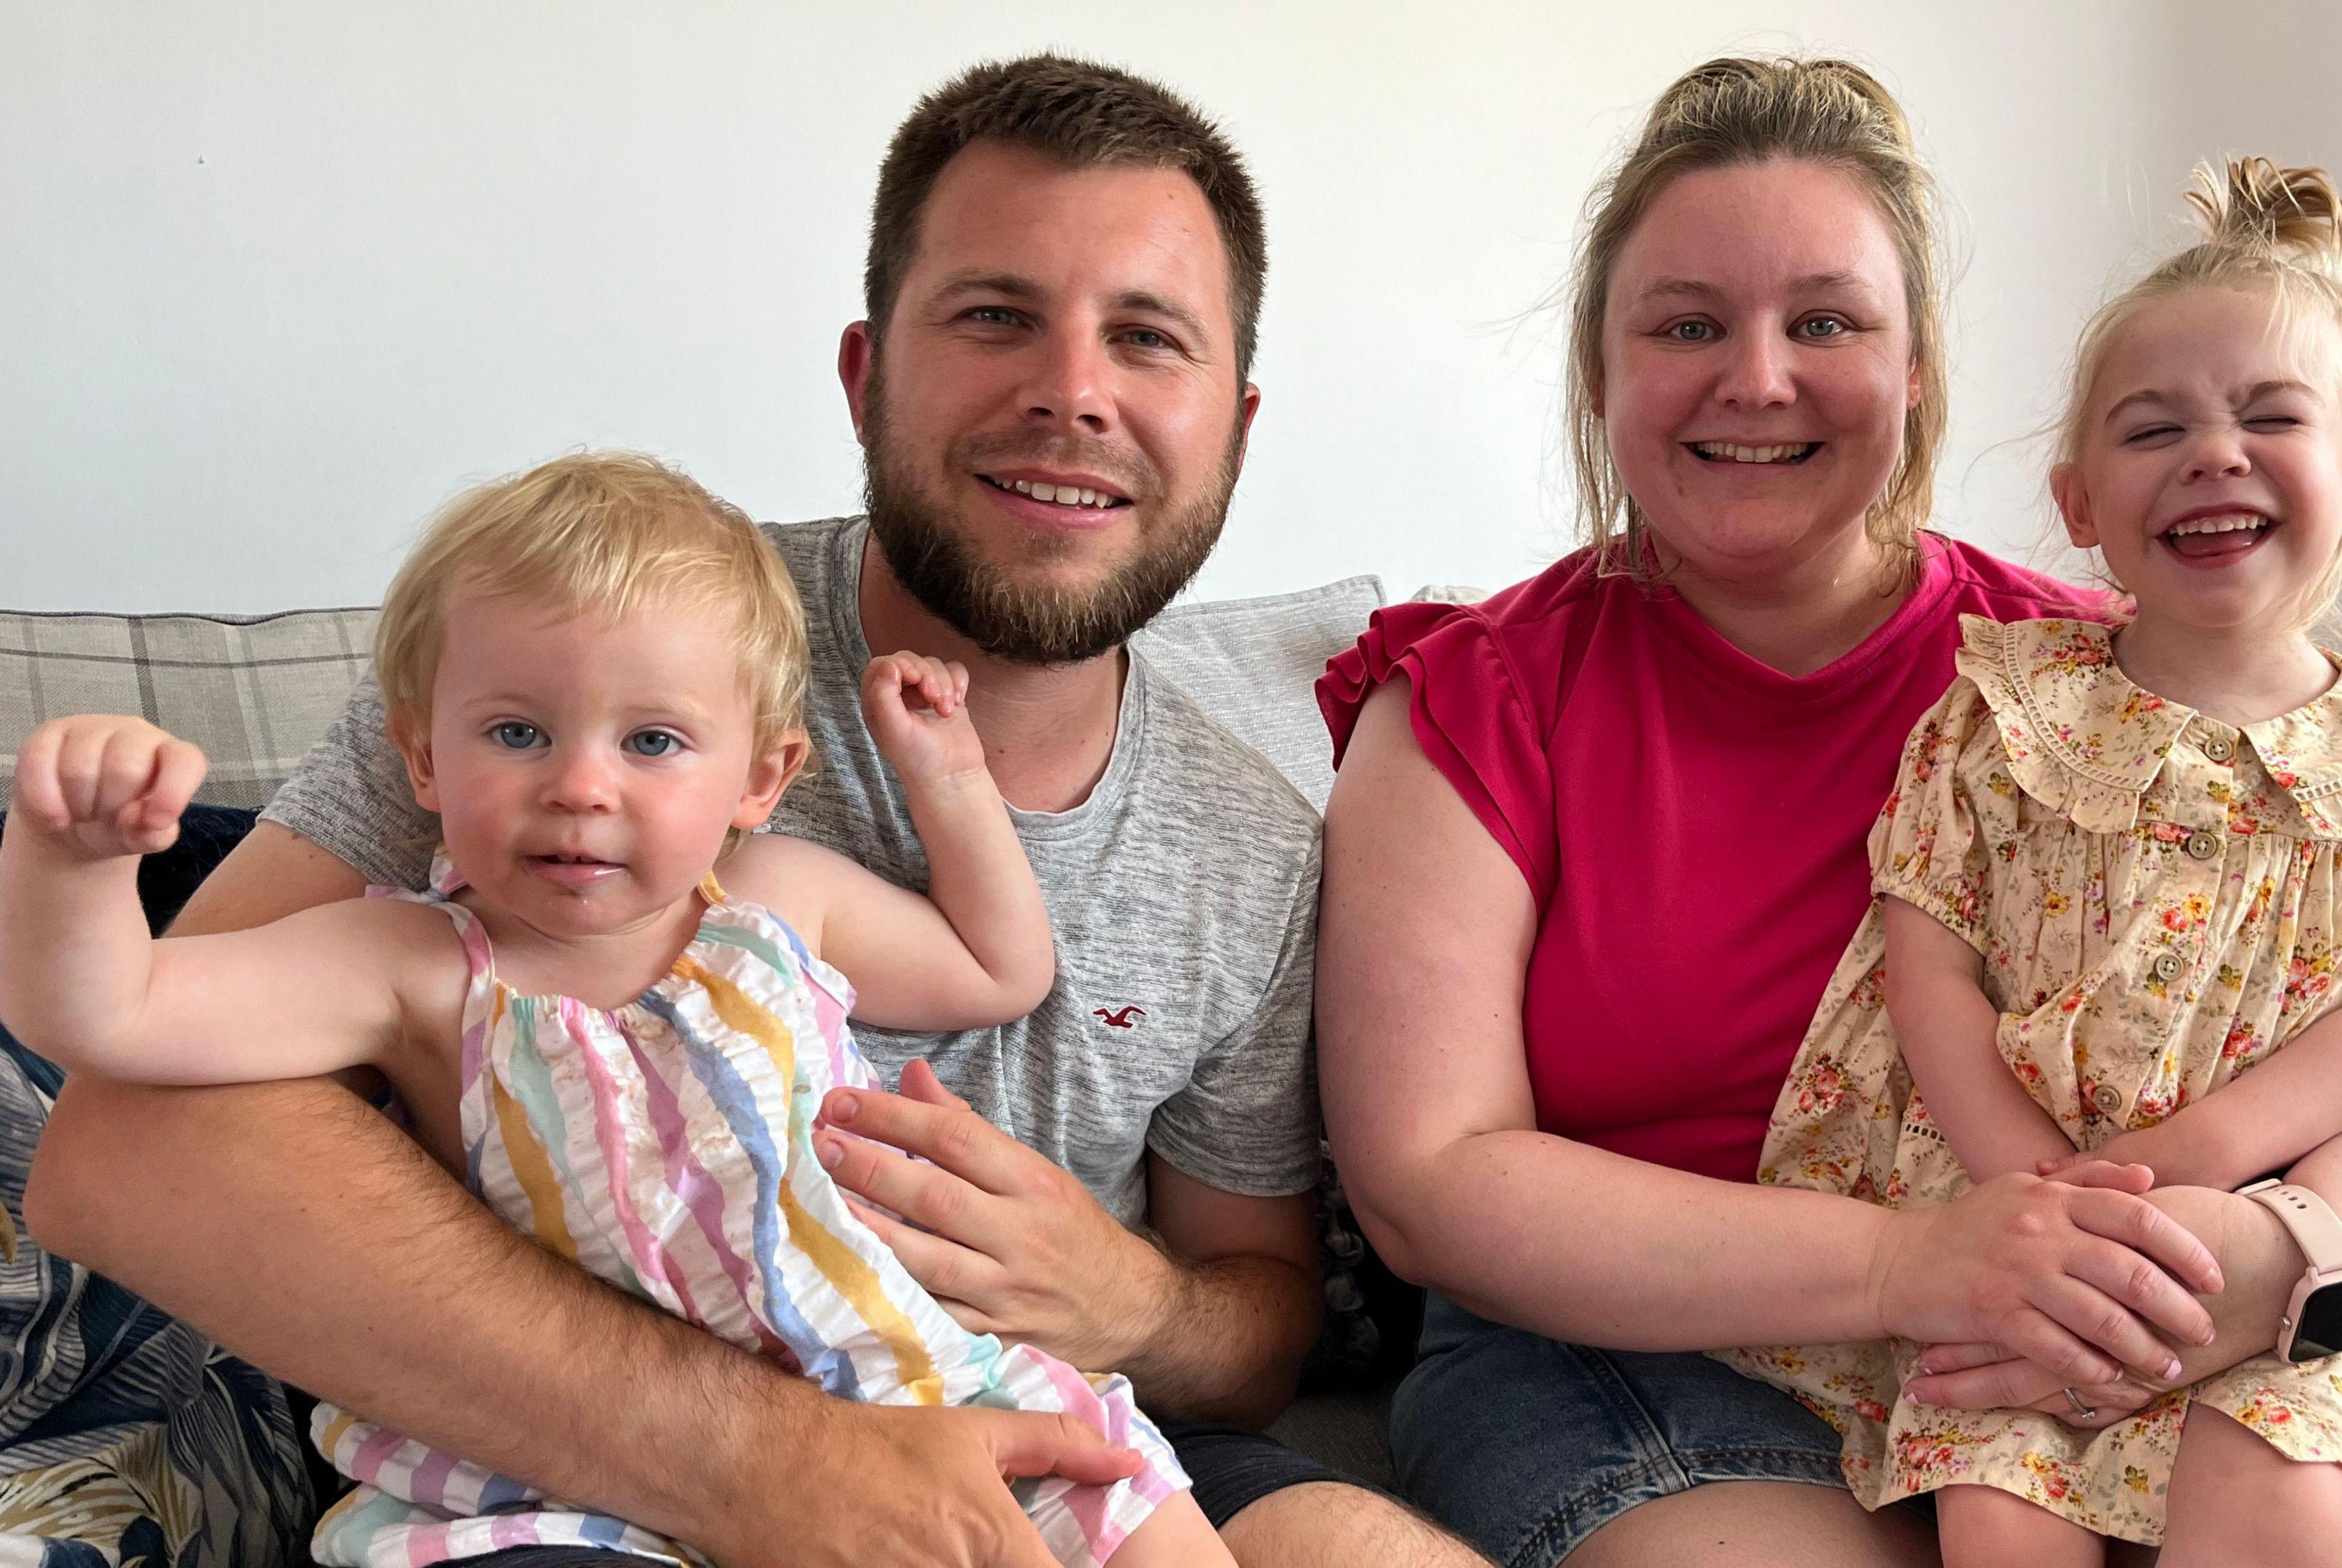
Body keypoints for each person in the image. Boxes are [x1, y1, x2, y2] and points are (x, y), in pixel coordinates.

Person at [25, 55, 1477, 1568]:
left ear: (1234, 423)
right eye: (995, 316)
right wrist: (759, 1458)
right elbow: (123, 1152)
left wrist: (1135, 1299)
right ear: (867, 375)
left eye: (1148, 338)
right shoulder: (597, 648)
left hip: (1040, 1421)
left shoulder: (1255, 836)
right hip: (585, 1462)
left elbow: (1256, 1321)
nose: (1073, 390)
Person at [1314, 57, 2342, 1568]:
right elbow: (1430, 1186)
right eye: (1687, 323)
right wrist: (1922, 1264)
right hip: (1629, 1354)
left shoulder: (2097, 677)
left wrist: (2283, 1257)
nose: (1757, 377)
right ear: (1600, 372)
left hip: (2094, 1315)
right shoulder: (1475, 698)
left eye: (1825, 322)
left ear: (1915, 371)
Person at [0, 453, 1231, 1568]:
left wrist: (953, 781)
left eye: (651, 741)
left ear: (761, 779)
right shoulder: (406, 962)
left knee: (1141, 1508)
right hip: (561, 1474)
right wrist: (74, 863)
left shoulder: (779, 902)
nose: (581, 788)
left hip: (905, 1384)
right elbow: (112, 1020)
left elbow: (999, 970)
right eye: (518, 733)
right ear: (422, 760)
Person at [1721, 158, 2342, 1567]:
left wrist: (2204, 1160)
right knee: (2004, 1514)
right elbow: (1927, 965)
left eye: (2272, 417)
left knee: (2280, 1492)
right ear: (2080, 501)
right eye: (2156, 430)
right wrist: (2034, 1191)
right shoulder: (1999, 715)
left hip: (2265, 1239)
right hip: (2016, 1238)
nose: (2215, 454)